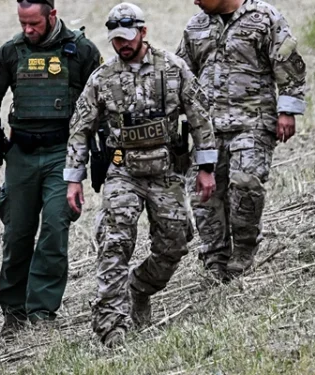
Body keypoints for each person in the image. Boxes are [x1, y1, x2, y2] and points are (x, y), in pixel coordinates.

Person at [64, 2, 218, 347]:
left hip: (165, 173)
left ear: (143, 32)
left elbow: (200, 118)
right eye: (116, 39)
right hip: (124, 172)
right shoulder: (102, 79)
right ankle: (111, 326)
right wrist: (73, 178)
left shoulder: (173, 69)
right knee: (114, 240)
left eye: (128, 37)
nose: (123, 45)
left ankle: (140, 287)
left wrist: (206, 168)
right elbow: (80, 128)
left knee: (175, 244)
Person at [0, 0, 103, 334]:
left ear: (52, 16)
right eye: (23, 23)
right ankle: (13, 312)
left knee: (54, 231)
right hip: (22, 155)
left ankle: (42, 312)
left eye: (34, 23)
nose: (28, 30)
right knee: (16, 234)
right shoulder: (11, 52)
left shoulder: (81, 51)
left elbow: (103, 96)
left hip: (63, 153)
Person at [177, 0, 307, 280]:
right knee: (205, 198)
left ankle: (244, 249)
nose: (195, 1)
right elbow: (181, 75)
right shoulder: (195, 26)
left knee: (246, 183)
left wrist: (288, 110)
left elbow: (289, 65)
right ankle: (215, 257)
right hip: (208, 130)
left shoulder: (264, 17)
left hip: (253, 123)